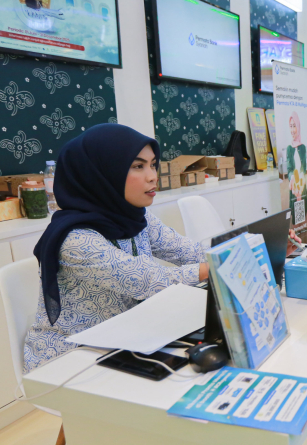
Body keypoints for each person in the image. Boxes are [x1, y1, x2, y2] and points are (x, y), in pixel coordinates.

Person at [24, 124, 207, 372]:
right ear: (102, 173)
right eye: (137, 166)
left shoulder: (136, 218)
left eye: (153, 164)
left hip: (123, 339)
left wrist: (234, 250)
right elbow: (146, 281)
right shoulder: (75, 239)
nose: (153, 176)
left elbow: (185, 250)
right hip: (72, 357)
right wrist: (211, 268)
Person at [285, 111, 307, 227]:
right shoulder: (289, 149)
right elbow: (289, 169)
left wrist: (301, 176)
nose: (292, 130)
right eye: (290, 126)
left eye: (294, 126)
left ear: (298, 127)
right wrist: (293, 178)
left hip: (302, 185)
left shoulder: (303, 148)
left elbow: (304, 168)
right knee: (295, 219)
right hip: (294, 185)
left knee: (303, 216)